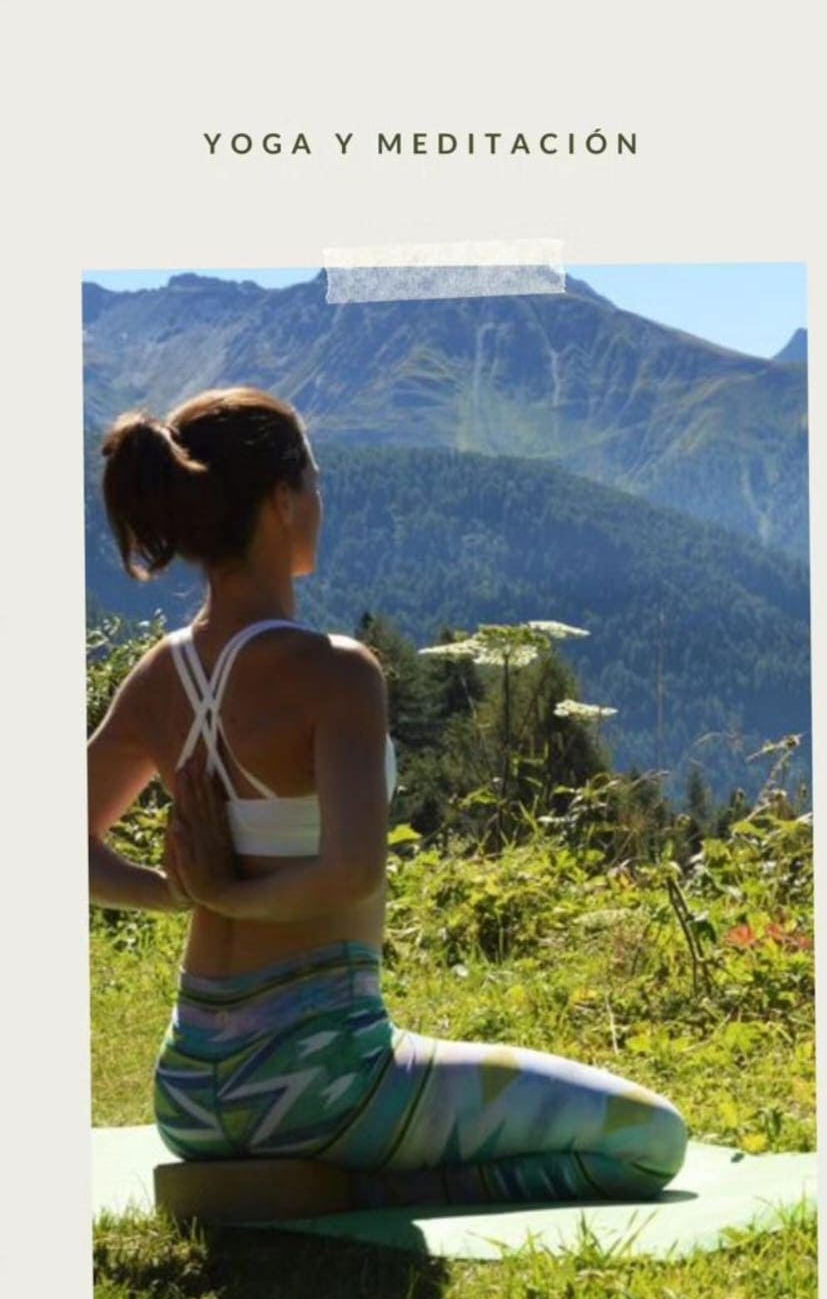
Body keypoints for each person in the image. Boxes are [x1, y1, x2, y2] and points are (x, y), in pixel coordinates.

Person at [88, 385, 688, 1209]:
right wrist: (217, 890)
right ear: (281, 500)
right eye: (313, 479)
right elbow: (351, 872)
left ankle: (304, 1175)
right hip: (327, 1085)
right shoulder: (337, 672)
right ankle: (361, 1191)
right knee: (652, 1138)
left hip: (189, 1093)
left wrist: (176, 892)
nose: (320, 499)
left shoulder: (161, 675)